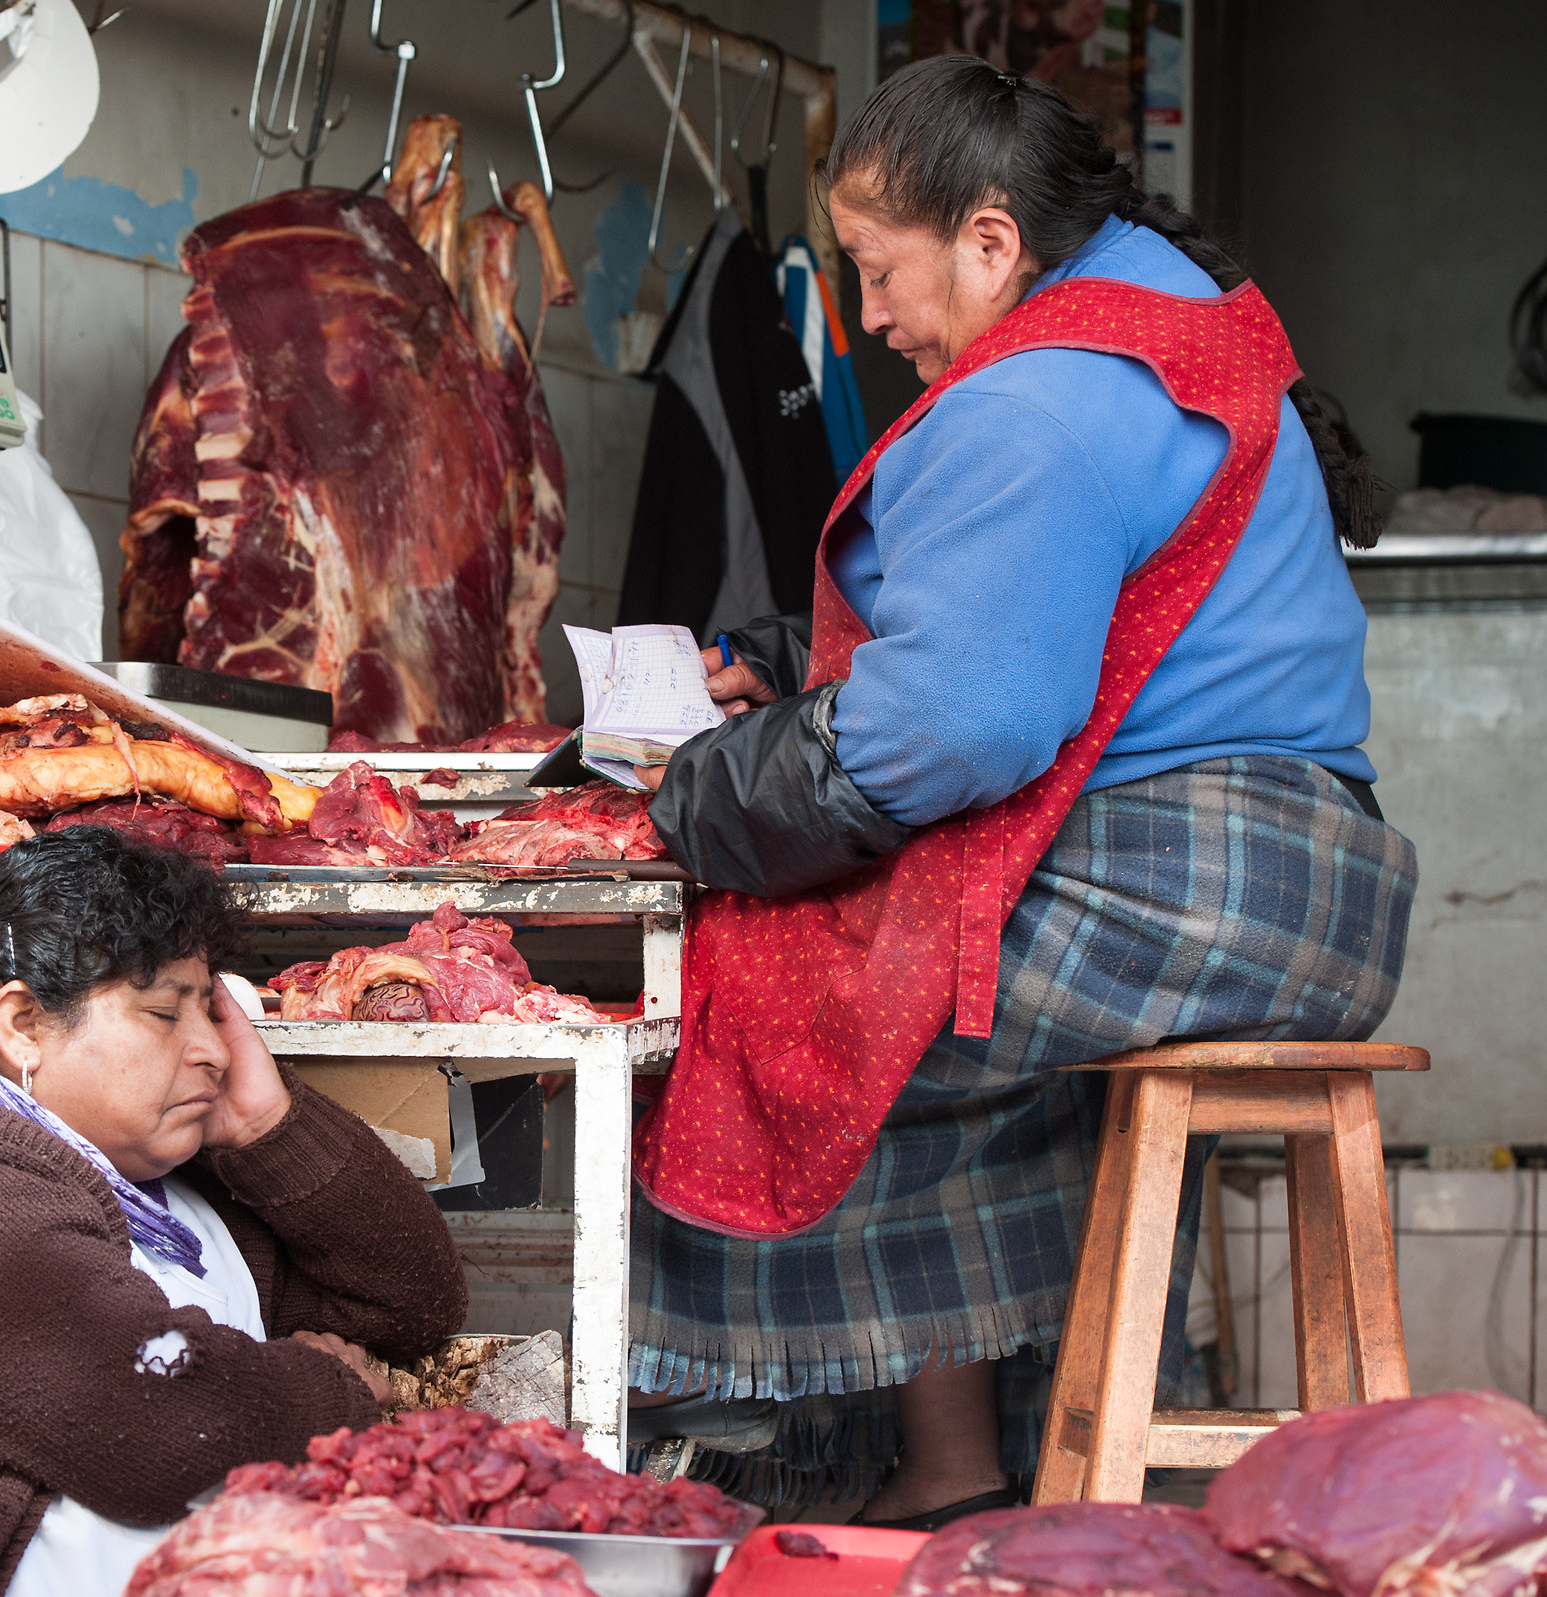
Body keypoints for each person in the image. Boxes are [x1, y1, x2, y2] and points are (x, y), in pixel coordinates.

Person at [619, 56, 1418, 1526]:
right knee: (926, 1008)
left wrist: (702, 795)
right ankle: (960, 1473)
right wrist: (799, 668)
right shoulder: (1152, 313)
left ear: (991, 241)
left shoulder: (1045, 394)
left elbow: (962, 731)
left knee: (788, 993)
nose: (870, 317)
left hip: (1191, 883)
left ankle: (768, 1453)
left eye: (879, 270)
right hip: (1306, 883)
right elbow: (1064, 607)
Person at [0, 828, 469, 1597]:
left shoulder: (177, 1208)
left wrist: (268, 1130)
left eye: (214, 1012)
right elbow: (166, 1423)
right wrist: (336, 1387)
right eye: (167, 1014)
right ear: (23, 1023)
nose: (216, 1049)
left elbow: (406, 1304)